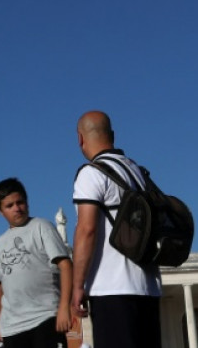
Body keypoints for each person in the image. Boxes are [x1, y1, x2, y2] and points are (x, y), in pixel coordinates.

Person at [71, 111, 162, 348]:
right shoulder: (139, 173)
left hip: (111, 289)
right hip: (149, 287)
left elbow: (86, 230)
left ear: (80, 139)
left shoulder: (91, 174)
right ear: (112, 135)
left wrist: (77, 285)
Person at [0, 178, 71, 348]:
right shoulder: (0, 242)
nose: (16, 208)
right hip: (13, 327)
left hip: (45, 317)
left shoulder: (42, 226)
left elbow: (65, 265)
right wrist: (0, 321)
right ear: (0, 211)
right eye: (9, 206)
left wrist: (64, 307)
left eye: (20, 202)